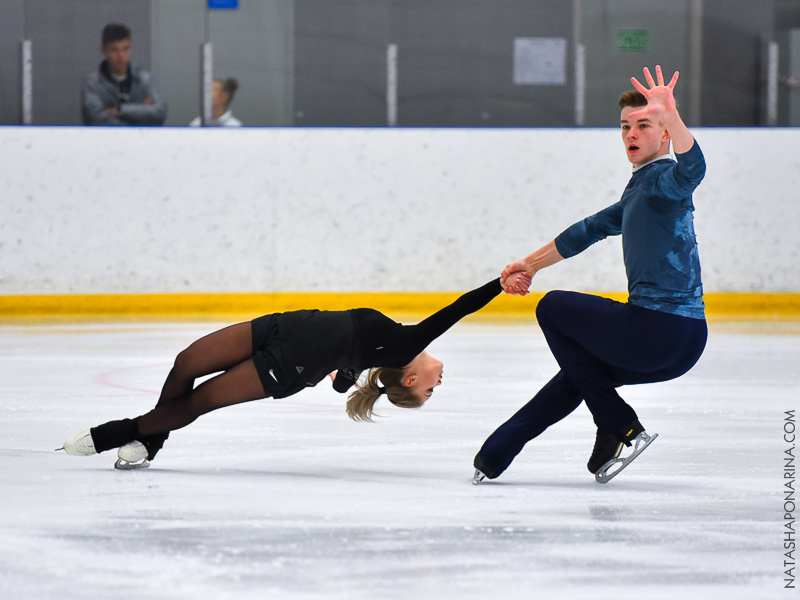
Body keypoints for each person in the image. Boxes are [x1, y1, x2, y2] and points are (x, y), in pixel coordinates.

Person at [473, 65, 708, 484]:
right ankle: (495, 455)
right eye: (625, 127)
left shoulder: (663, 182)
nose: (631, 134)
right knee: (580, 375)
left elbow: (692, 171)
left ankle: (619, 422)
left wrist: (672, 113)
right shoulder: (639, 190)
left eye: (644, 125)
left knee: (554, 306)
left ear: (665, 134)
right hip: (683, 343)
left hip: (659, 330)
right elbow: (589, 230)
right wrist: (528, 264)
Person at [60, 273, 530, 469]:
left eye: (430, 392)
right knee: (187, 361)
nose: (438, 385)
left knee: (200, 401)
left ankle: (113, 434)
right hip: (281, 327)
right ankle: (153, 439)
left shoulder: (408, 345)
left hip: (284, 367)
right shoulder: (387, 350)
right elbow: (350, 372)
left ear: (409, 380)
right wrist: (345, 376)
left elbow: (459, 309)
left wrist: (499, 284)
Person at [81, 23, 167, 126]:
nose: (121, 56)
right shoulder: (93, 83)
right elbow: (94, 119)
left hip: (143, 140)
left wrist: (119, 110)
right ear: (104, 50)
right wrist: (139, 110)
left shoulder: (144, 79)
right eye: (114, 50)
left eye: (126, 49)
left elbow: (159, 113)